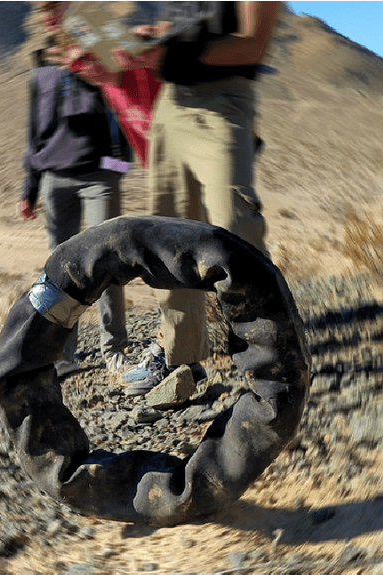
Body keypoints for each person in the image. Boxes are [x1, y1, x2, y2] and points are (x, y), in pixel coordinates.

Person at [59, 2, 280, 394]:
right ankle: (181, 357)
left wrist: (169, 51)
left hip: (223, 101)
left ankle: (270, 354)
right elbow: (174, 31)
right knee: (169, 240)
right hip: (170, 105)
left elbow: (251, 45)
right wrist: (140, 46)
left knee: (236, 224)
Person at [18, 1, 132, 377]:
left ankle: (115, 350)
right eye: (42, 8)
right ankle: (65, 355)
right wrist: (29, 188)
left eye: (54, 4)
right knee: (60, 272)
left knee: (107, 262)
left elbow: (123, 95)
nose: (47, 12)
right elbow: (35, 132)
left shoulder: (102, 48)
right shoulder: (42, 69)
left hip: (99, 174)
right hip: (55, 179)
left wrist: (117, 166)